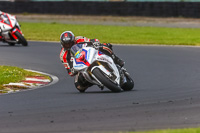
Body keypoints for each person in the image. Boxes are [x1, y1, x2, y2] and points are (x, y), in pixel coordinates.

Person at [59, 31, 124, 92]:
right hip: (82, 66)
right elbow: (69, 70)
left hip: (90, 55)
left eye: (70, 43)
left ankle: (116, 59)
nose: (68, 45)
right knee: (79, 86)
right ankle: (96, 79)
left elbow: (92, 41)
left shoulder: (79, 39)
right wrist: (72, 71)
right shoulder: (63, 55)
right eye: (66, 44)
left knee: (104, 46)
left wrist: (95, 43)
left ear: (73, 40)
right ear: (62, 44)